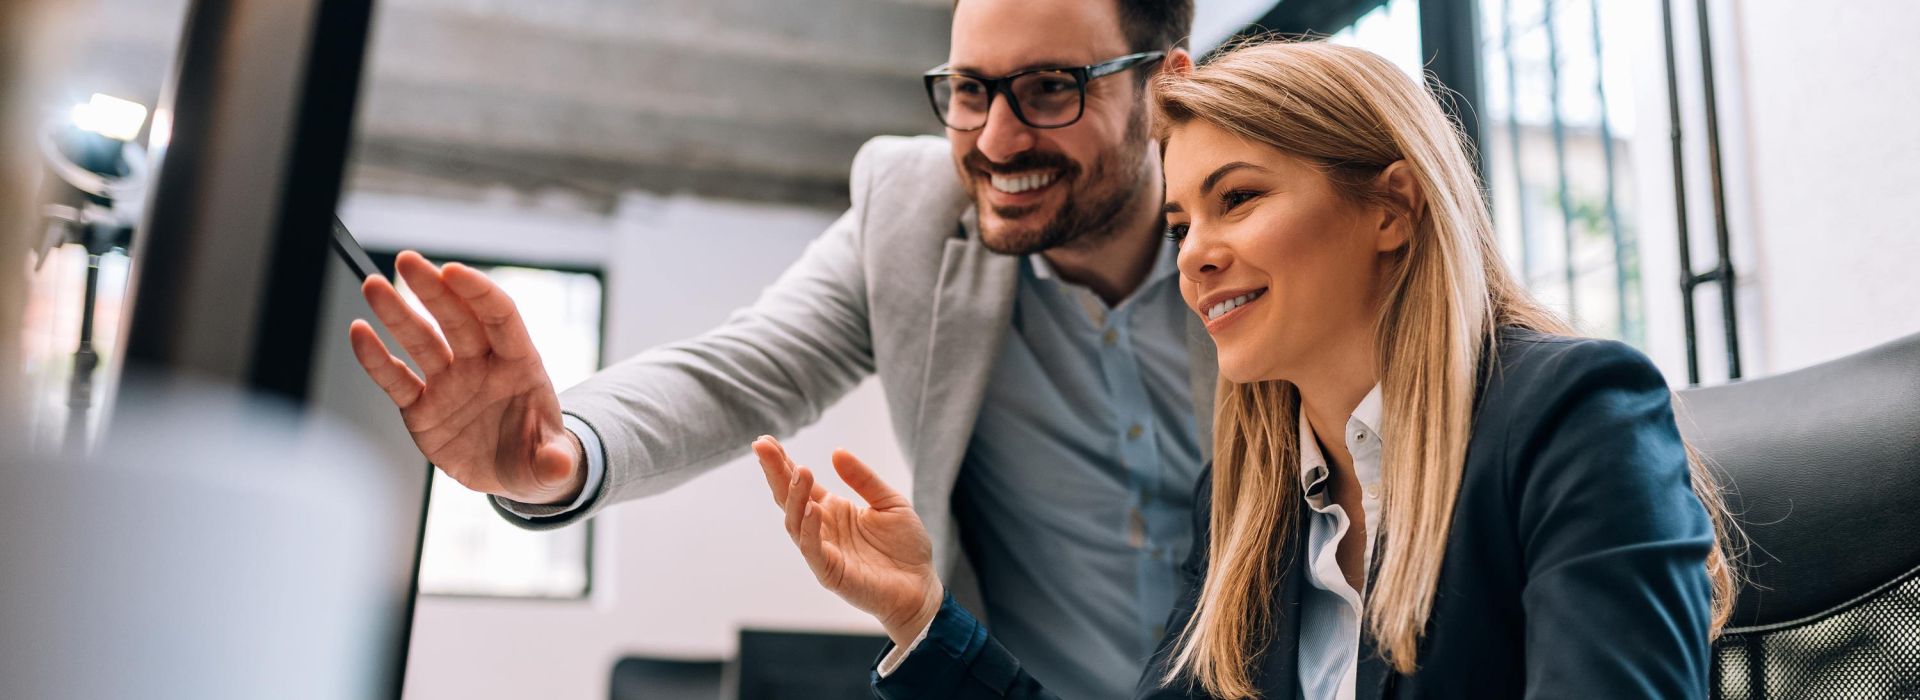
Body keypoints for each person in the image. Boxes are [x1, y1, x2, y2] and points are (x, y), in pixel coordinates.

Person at [750, 40, 1737, 699]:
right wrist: (924, 617)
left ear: (1392, 208)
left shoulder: (1575, 416)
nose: (1195, 253)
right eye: (1182, 220)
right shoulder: (1250, 499)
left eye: (1239, 199)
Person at [348, 1, 1212, 696]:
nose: (994, 139)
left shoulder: (1266, 237)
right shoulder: (910, 211)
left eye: (1052, 88)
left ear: (1167, 86)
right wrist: (564, 449)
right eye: (969, 89)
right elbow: (739, 373)